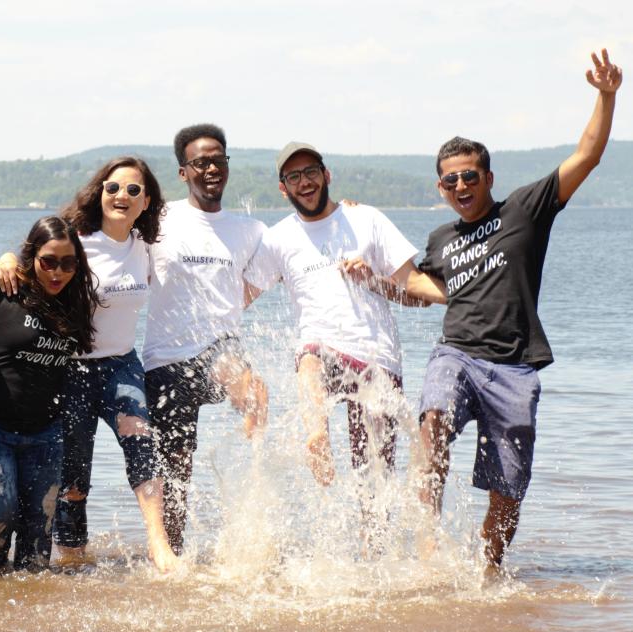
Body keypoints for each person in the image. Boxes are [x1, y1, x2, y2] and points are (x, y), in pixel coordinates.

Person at [408, 49, 621, 568]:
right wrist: (366, 267)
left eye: (469, 176)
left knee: (508, 490)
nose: (461, 186)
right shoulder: (440, 239)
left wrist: (606, 96)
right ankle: (426, 543)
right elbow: (423, 288)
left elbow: (586, 157)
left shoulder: (525, 210)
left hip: (514, 369)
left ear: (488, 177)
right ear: (440, 186)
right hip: (455, 354)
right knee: (432, 419)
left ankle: (487, 574)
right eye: (450, 180)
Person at [0, 158, 181, 570]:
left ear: (146, 201)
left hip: (122, 365)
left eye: (133, 191)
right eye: (113, 188)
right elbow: (36, 253)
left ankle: (158, 543)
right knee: (75, 479)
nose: (122, 197)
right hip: (71, 370)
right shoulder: (77, 241)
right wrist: (6, 259)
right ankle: (73, 558)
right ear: (100, 191)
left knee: (142, 444)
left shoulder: (147, 246)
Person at [254, 142, 445, 488]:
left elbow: (417, 291)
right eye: (293, 176)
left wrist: (374, 278)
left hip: (377, 360)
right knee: (310, 353)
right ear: (283, 189)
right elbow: (241, 295)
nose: (305, 181)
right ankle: (317, 437)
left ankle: (372, 543)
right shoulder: (277, 238)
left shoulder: (365, 219)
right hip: (323, 350)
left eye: (311, 171)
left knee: (375, 488)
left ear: (327, 174)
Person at [143, 124, 270, 554]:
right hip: (166, 360)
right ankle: (173, 555)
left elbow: (280, 262)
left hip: (219, 349)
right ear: (184, 172)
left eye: (218, 160)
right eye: (201, 162)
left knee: (255, 393)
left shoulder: (250, 231)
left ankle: (254, 525)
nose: (211, 168)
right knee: (177, 469)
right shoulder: (157, 220)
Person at [0, 217, 97, 573]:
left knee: (39, 527)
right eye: (49, 261)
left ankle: (29, 606)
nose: (57, 272)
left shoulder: (76, 301)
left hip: (45, 432)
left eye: (68, 263)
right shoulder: (6, 283)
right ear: (32, 256)